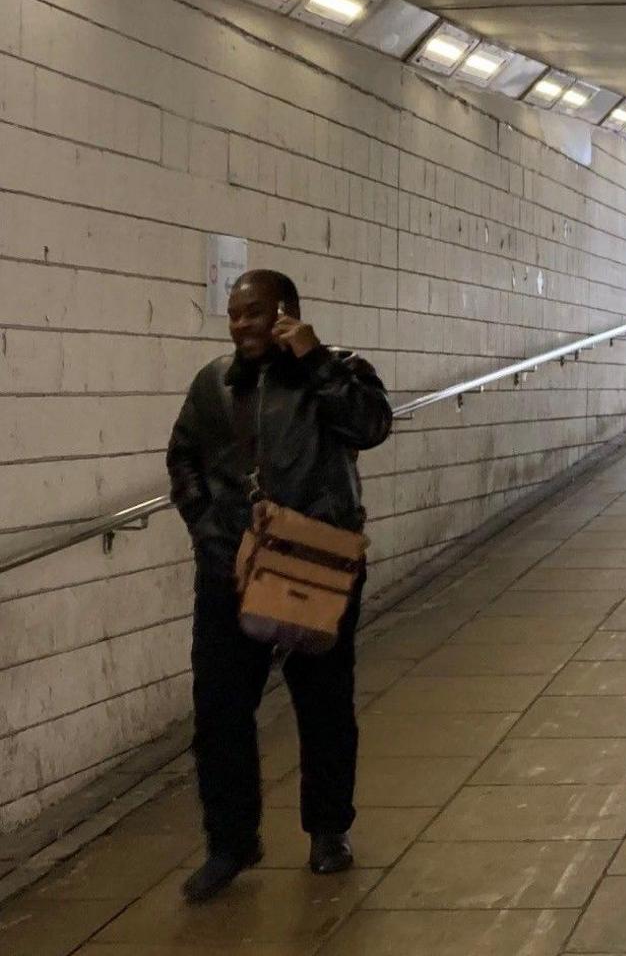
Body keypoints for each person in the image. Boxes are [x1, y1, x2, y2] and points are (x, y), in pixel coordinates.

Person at [166, 269, 393, 902]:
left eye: (254, 313)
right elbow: (182, 456)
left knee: (323, 705)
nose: (241, 325)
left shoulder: (338, 369)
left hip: (315, 568)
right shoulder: (213, 384)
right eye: (234, 315)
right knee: (219, 712)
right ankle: (229, 844)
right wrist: (209, 529)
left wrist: (316, 360)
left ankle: (327, 831)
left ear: (286, 313)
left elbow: (371, 426)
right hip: (230, 572)